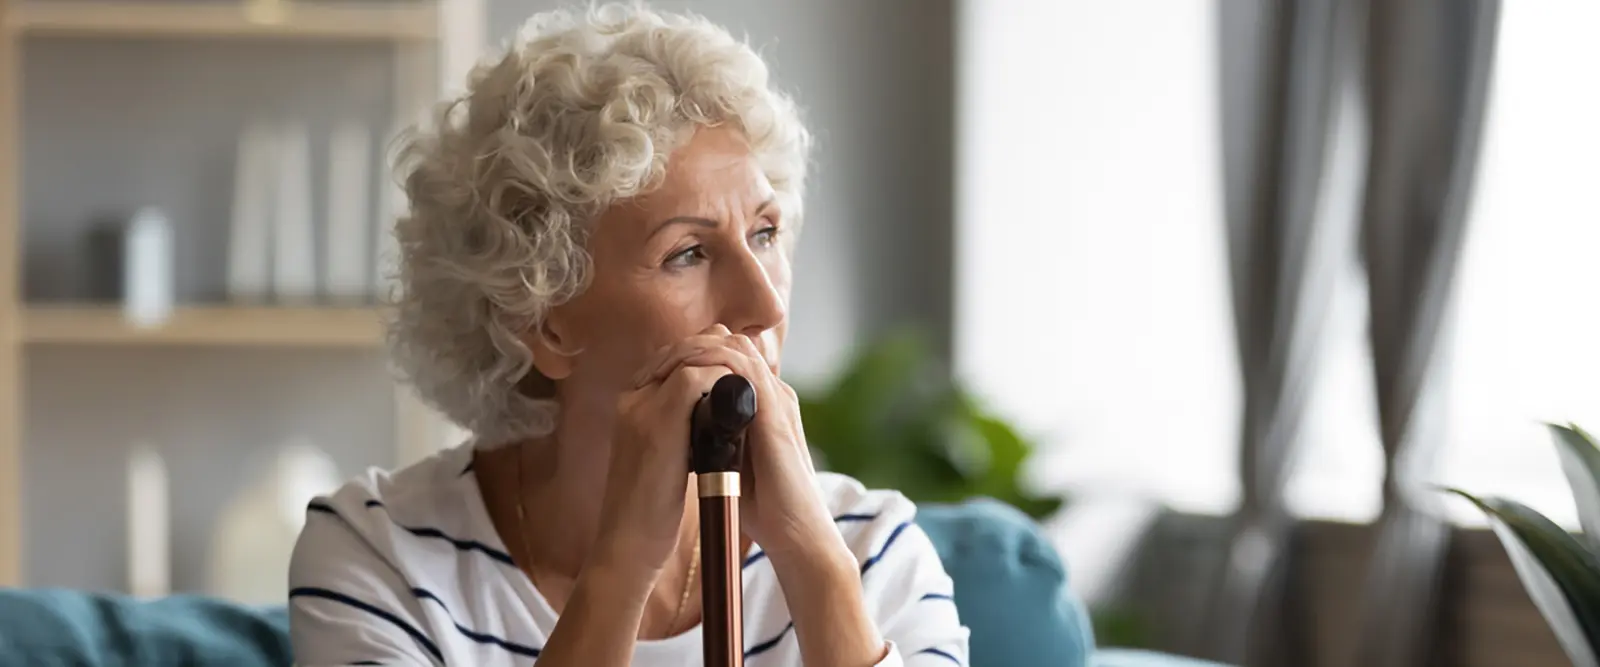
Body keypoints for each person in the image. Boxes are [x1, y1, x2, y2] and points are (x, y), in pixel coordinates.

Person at [287, 3, 970, 666]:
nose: (763, 302)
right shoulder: (380, 554)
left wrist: (813, 564)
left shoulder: (873, 552)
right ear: (542, 317)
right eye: (688, 254)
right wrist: (621, 565)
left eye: (764, 232)